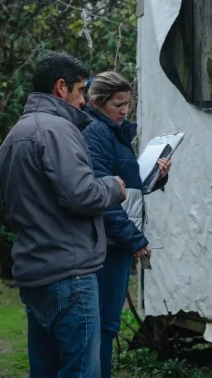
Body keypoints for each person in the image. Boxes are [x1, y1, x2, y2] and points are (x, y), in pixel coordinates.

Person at [0, 51, 126, 378]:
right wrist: (113, 186)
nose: (83, 101)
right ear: (60, 87)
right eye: (80, 90)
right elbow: (81, 194)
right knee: (81, 371)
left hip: (34, 272)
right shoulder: (57, 130)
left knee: (44, 370)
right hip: (69, 275)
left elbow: (10, 207)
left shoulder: (15, 135)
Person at [81, 71, 171, 378]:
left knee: (106, 327)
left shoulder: (115, 132)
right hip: (107, 243)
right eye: (118, 105)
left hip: (118, 242)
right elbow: (102, 198)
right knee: (102, 328)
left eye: (128, 104)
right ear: (97, 102)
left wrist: (156, 176)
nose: (125, 111)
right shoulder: (95, 134)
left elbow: (127, 188)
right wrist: (135, 240)